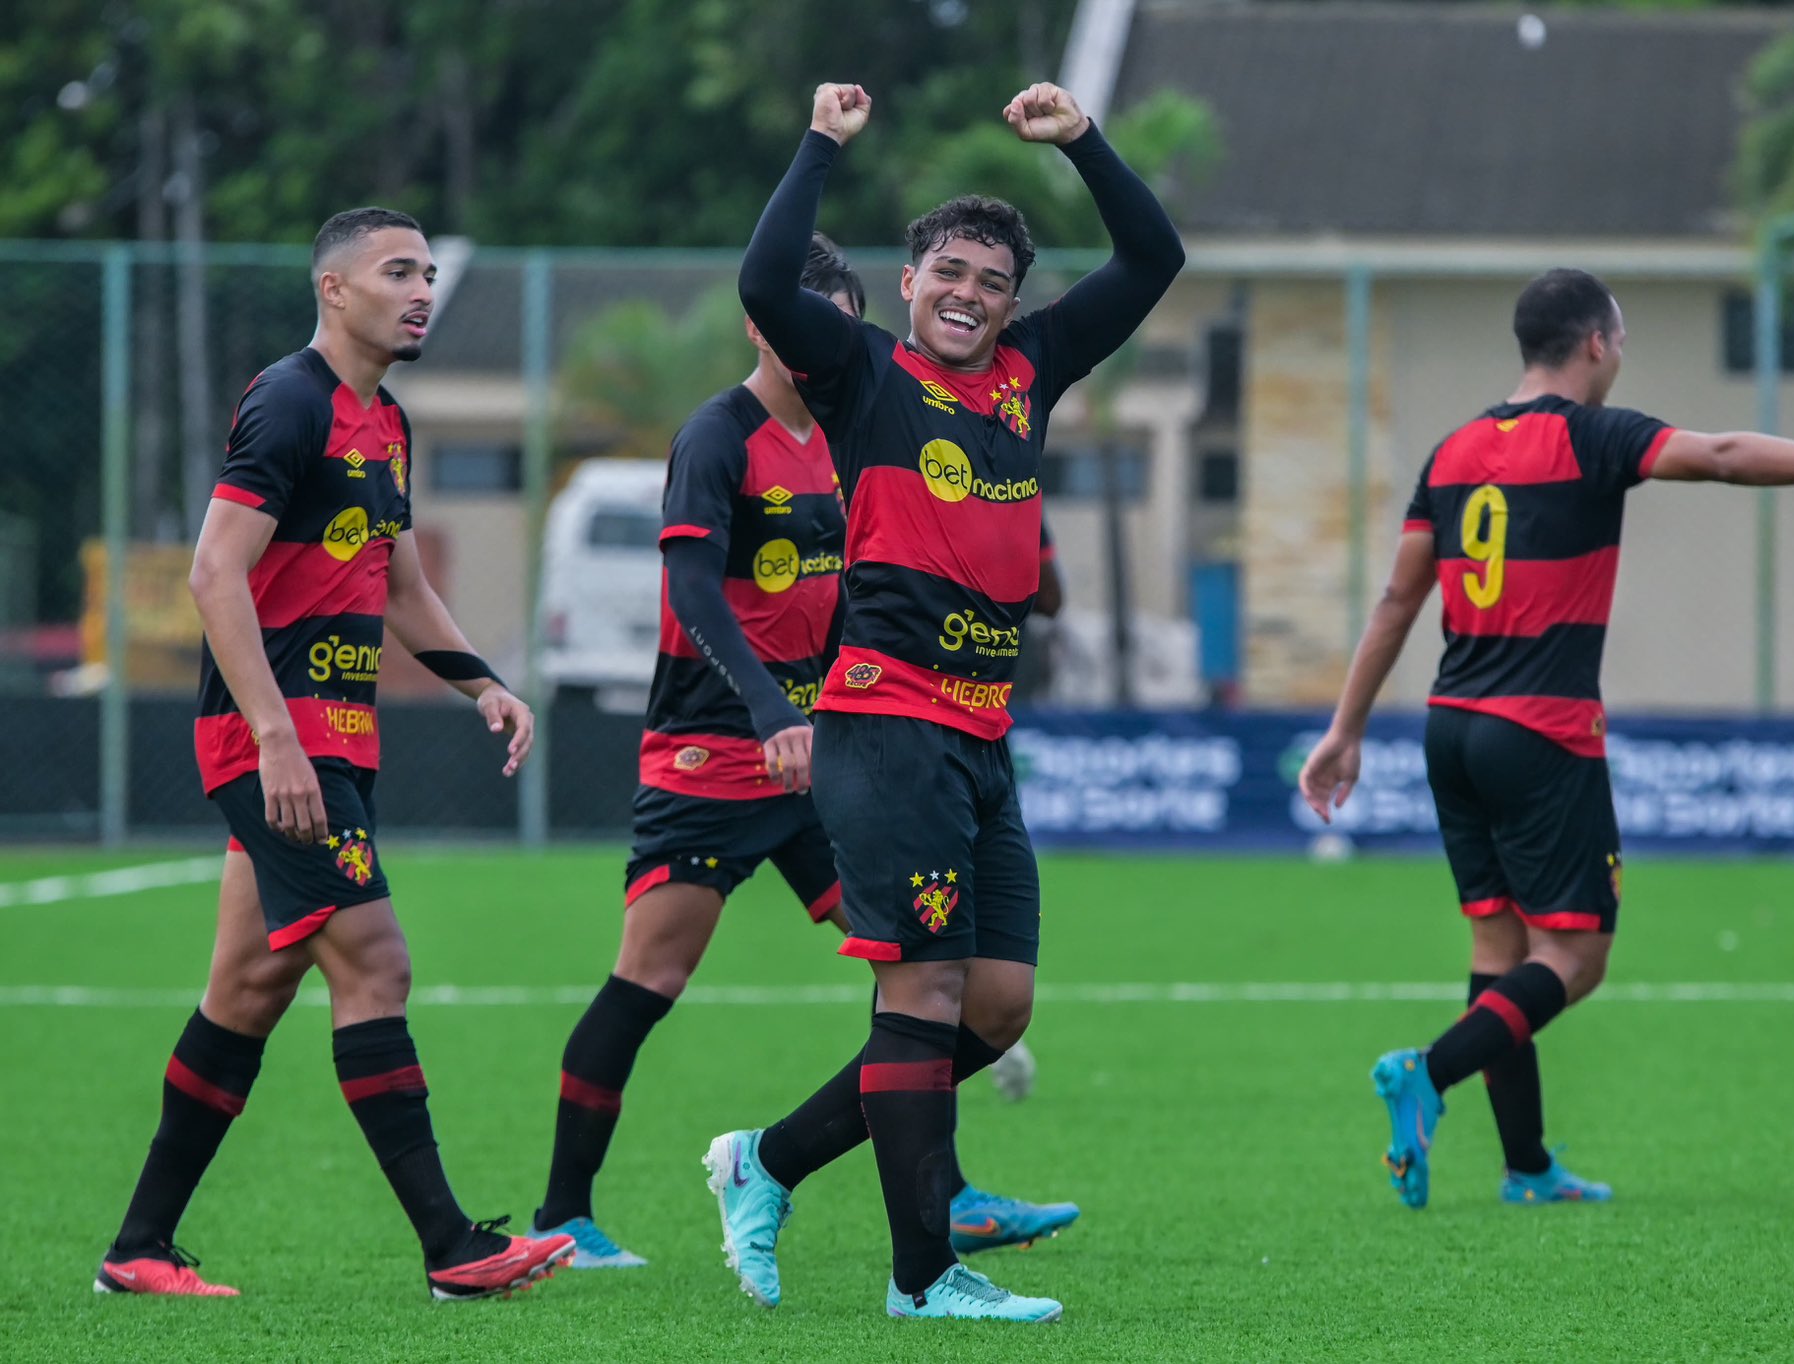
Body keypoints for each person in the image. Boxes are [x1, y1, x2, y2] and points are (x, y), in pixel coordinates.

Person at [1297, 267, 1794, 1212]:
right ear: (1596, 345)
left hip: (1451, 726)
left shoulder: (1451, 452)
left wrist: (1344, 730)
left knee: (1499, 950)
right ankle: (1427, 1073)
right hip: (1541, 731)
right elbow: (1724, 452)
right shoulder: (1593, 436)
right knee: (1575, 959)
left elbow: (1402, 597)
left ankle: (1525, 1167)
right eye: (1622, 344)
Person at [702, 79, 1182, 1323]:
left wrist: (1080, 141)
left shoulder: (1033, 366)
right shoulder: (860, 370)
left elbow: (1154, 255)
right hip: (887, 720)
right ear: (907, 282)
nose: (968, 293)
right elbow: (762, 283)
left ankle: (767, 1158)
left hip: (979, 734)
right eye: (948, 271)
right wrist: (817, 140)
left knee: (995, 1003)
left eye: (990, 280)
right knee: (917, 994)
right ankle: (923, 1279)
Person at [527, 235, 1074, 1270]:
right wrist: (772, 706)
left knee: (923, 977)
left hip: (834, 745)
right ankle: (563, 1209)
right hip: (715, 747)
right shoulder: (718, 435)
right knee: (652, 969)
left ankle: (939, 1196)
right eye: (799, 325)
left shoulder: (851, 428)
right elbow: (692, 594)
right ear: (764, 327)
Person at [94, 208, 575, 1300]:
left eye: (428, 273)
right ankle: (454, 1247)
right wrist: (275, 738)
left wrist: (484, 683)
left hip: (331, 742)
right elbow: (214, 575)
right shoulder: (290, 399)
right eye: (397, 271)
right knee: (378, 964)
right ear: (333, 289)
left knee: (249, 988)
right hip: (276, 740)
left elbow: (400, 587)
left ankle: (139, 1245)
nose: (420, 290)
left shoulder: (383, 420)